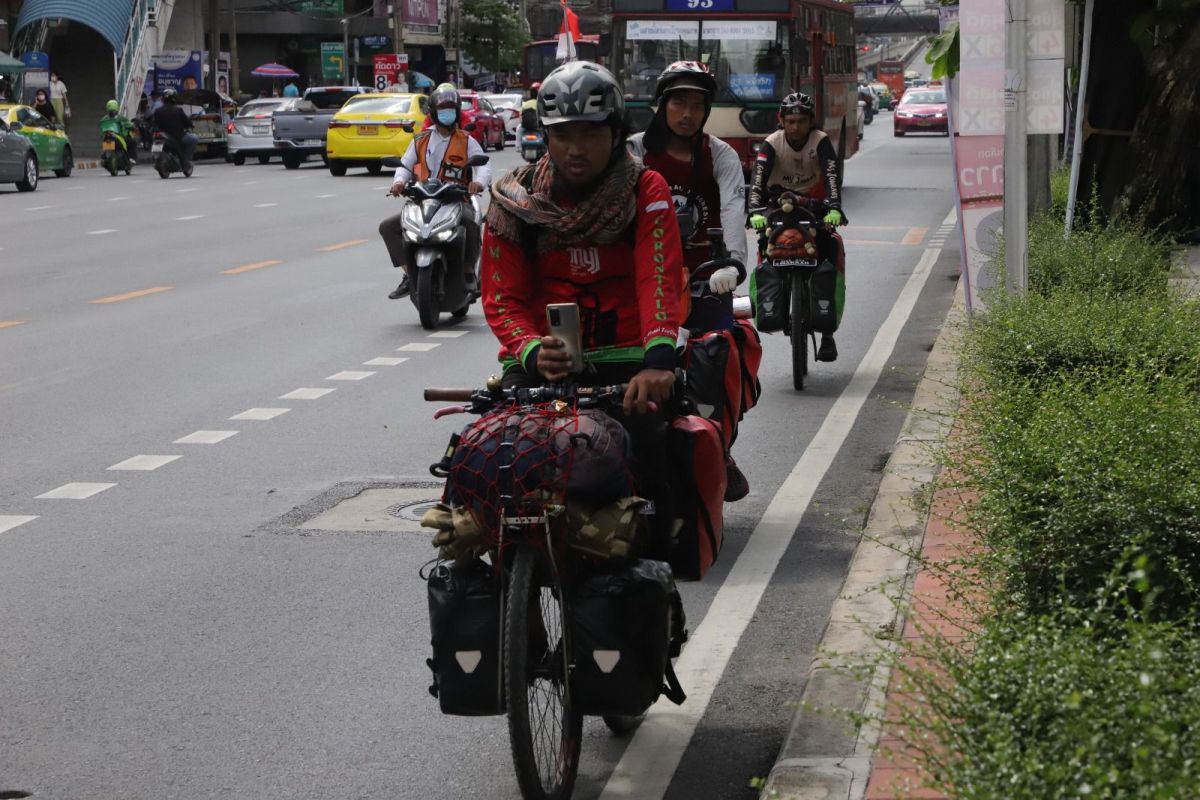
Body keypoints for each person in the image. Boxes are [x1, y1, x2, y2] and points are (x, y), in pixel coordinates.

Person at [483, 60, 685, 552]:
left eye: (591, 133)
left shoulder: (645, 188)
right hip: (537, 368)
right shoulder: (515, 198)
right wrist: (531, 350)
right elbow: (501, 296)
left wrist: (658, 360)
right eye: (563, 133)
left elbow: (657, 275)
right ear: (545, 136)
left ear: (616, 135)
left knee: (653, 456)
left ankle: (655, 569)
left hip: (629, 366)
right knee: (491, 463)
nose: (576, 148)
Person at [626, 60, 751, 501]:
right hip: (643, 282)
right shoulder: (634, 152)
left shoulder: (721, 155)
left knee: (718, 356)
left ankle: (719, 441)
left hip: (705, 280)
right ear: (661, 105)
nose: (687, 113)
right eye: (678, 101)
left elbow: (735, 208)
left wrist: (733, 264)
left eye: (697, 104)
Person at [748, 91, 846, 362]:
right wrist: (755, 211)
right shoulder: (771, 144)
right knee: (764, 247)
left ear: (810, 121)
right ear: (782, 120)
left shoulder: (821, 142)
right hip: (776, 203)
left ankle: (827, 334)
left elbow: (831, 177)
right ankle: (771, 303)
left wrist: (835, 208)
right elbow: (757, 182)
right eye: (790, 121)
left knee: (830, 246)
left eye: (802, 121)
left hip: (813, 203)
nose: (796, 127)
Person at [379, 83, 491, 300]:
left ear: (457, 112)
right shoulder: (420, 139)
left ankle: (468, 271)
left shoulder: (466, 139)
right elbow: (405, 166)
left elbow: (483, 166)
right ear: (433, 112)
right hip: (423, 200)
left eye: (451, 109)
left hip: (456, 200)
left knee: (471, 222)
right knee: (388, 227)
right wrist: (399, 183)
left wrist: (478, 182)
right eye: (442, 109)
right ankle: (409, 275)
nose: (447, 113)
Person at [152, 89, 198, 168]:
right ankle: (186, 160)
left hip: (162, 135)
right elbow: (187, 122)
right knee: (194, 138)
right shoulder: (178, 110)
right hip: (176, 136)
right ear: (174, 98)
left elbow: (154, 123)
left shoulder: (157, 111)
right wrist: (190, 124)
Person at [99, 99, 138, 165]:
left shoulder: (103, 119)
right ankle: (132, 158)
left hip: (106, 136)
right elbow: (129, 125)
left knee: (105, 146)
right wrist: (133, 127)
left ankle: (103, 157)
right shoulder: (120, 118)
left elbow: (101, 128)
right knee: (133, 142)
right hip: (118, 136)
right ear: (117, 107)